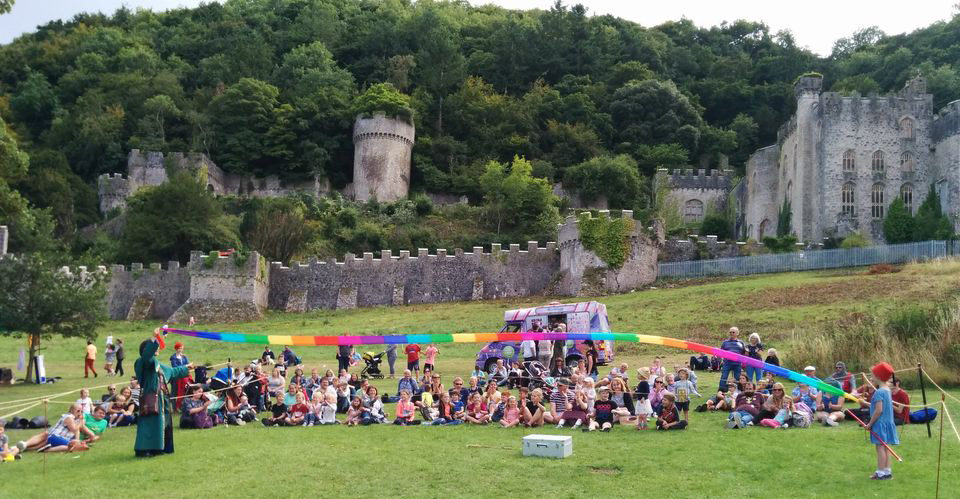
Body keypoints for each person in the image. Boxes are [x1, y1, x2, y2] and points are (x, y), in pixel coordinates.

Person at [134, 328, 192, 457]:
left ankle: (159, 448)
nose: (158, 349)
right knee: (150, 424)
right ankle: (145, 450)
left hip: (162, 399)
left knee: (162, 423)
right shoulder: (142, 362)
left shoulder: (158, 364)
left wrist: (186, 368)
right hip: (150, 398)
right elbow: (147, 356)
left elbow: (172, 372)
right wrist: (154, 338)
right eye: (156, 347)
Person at [865, 362, 899, 480]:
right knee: (886, 447)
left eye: (873, 375)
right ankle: (887, 472)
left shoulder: (879, 392)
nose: (871, 377)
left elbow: (878, 410)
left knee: (880, 448)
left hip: (880, 424)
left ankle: (880, 473)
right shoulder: (887, 390)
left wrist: (870, 424)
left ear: (878, 377)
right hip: (888, 423)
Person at [718, 327, 745, 391]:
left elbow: (744, 353)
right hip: (727, 363)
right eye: (730, 332)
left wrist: (743, 363)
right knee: (724, 377)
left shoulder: (741, 343)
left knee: (738, 378)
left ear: (737, 333)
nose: (731, 333)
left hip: (737, 364)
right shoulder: (725, 342)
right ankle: (721, 391)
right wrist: (721, 360)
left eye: (733, 332)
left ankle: (738, 391)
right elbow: (721, 352)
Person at [169, 342, 190, 411]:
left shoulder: (184, 356)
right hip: (176, 376)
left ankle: (182, 406)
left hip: (184, 377)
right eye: (179, 348)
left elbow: (188, 364)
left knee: (184, 391)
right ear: (176, 349)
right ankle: (174, 408)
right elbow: (175, 367)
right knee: (174, 392)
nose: (181, 350)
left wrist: (187, 366)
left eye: (182, 348)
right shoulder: (173, 357)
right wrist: (184, 367)